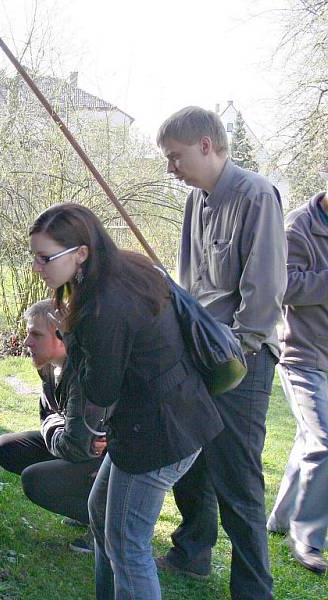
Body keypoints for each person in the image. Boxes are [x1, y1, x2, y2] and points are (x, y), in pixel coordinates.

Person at [29, 203, 223, 600]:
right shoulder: (127, 270)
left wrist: (73, 342)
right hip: (172, 419)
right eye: (34, 256)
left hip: (159, 434)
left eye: (45, 258)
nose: (37, 267)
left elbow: (100, 392)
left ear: (80, 253)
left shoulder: (101, 307)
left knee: (127, 544)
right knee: (103, 518)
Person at [155, 106, 286, 599]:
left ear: (207, 146)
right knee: (188, 454)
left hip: (243, 358)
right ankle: (192, 552)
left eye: (176, 157)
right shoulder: (196, 200)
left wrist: (240, 351)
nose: (171, 168)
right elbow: (193, 282)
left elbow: (266, 287)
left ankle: (254, 590)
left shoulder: (257, 195)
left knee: (237, 477)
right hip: (199, 348)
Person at [0, 298, 105, 553]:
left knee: (36, 480)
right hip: (78, 444)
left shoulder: (82, 374)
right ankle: (84, 507)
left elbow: (76, 447)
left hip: (109, 460)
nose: (26, 343)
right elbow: (49, 416)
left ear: (61, 337)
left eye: (36, 334)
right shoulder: (48, 367)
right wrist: (56, 423)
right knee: (8, 447)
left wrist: (55, 423)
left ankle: (104, 522)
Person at [266, 190, 328, 575]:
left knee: (310, 440)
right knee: (324, 441)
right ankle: (306, 537)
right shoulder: (298, 227)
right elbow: (283, 285)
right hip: (301, 357)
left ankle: (279, 518)